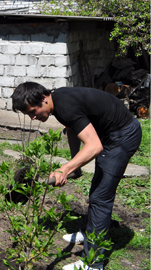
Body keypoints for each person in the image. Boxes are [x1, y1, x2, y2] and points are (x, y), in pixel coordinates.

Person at [11, 82, 142, 270]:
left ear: (43, 98)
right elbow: (72, 128)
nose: (33, 117)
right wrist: (75, 165)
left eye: (33, 111)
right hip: (110, 134)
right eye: (28, 115)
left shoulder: (65, 106)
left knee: (100, 197)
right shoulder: (58, 100)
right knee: (98, 191)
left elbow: (94, 146)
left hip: (122, 136)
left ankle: (94, 264)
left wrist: (65, 169)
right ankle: (91, 232)